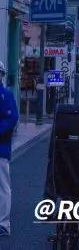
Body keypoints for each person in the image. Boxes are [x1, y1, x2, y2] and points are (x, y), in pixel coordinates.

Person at [0, 61, 19, 237]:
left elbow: (12, 118)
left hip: (1, 148)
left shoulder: (6, 95)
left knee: (3, 186)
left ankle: (4, 224)